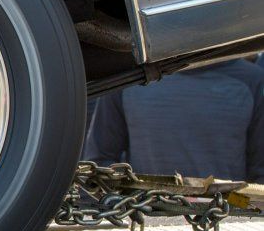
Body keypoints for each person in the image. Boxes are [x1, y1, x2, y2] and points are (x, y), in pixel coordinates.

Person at [85, 58, 264, 183]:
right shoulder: (127, 79)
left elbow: (260, 176)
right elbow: (99, 163)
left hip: (228, 227)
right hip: (145, 224)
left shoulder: (253, 82)